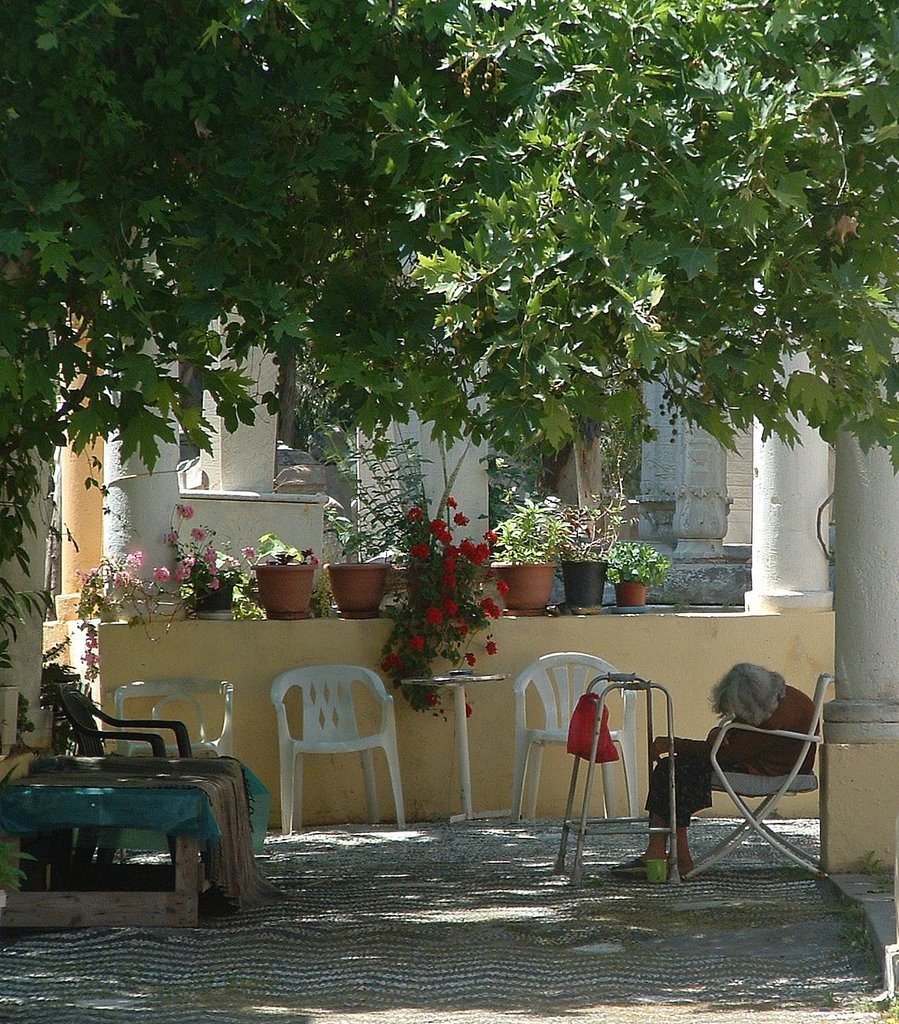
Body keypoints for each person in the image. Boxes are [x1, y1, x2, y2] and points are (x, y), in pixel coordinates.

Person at [610, 662, 816, 878]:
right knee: (675, 770)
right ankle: (661, 853)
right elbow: (732, 739)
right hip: (770, 760)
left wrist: (674, 744)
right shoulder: (779, 695)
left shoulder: (770, 720)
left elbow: (723, 755)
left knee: (674, 770)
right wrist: (719, 732)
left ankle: (672, 857)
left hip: (771, 770)